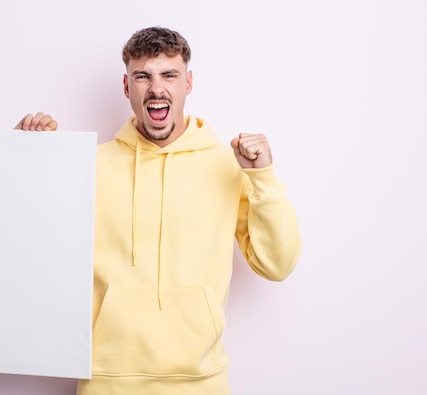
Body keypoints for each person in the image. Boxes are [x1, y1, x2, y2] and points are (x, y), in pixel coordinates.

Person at [15, 26, 301, 395]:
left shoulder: (229, 166)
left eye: (169, 74)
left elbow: (277, 264)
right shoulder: (87, 165)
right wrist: (24, 162)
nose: (156, 88)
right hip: (106, 380)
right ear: (126, 85)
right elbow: (30, 248)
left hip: (202, 382)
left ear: (188, 82)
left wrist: (262, 177)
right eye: (143, 76)